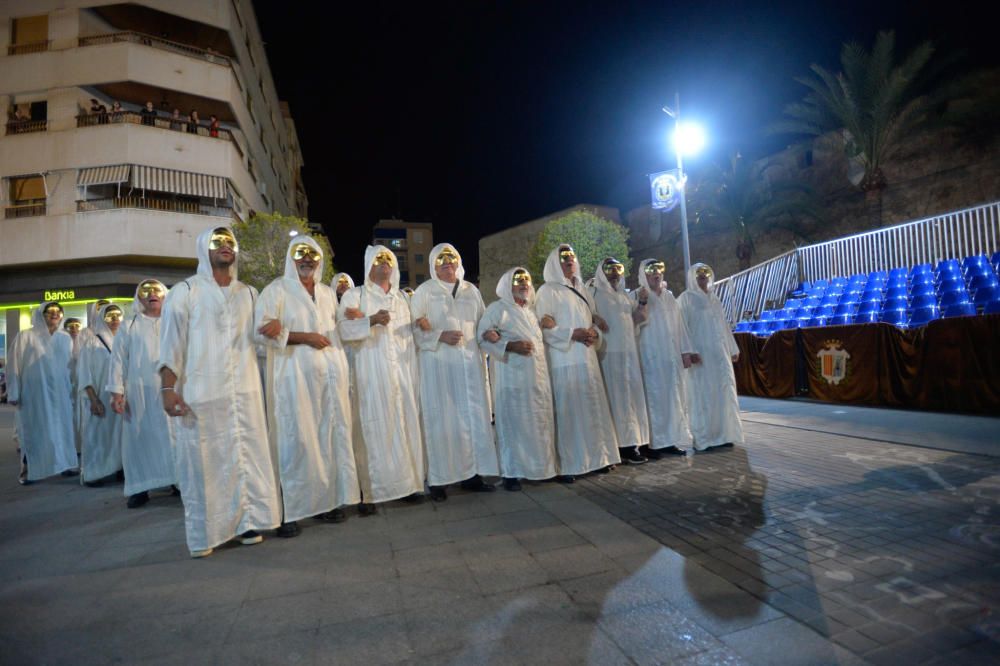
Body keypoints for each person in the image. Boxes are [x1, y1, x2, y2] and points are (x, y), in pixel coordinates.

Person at [158, 226, 281, 558]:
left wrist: (274, 330)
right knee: (205, 464)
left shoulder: (250, 294)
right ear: (203, 249)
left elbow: (261, 339)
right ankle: (204, 533)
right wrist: (168, 389)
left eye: (230, 242)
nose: (225, 246)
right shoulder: (185, 292)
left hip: (245, 392)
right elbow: (171, 346)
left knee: (246, 456)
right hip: (202, 393)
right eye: (218, 242)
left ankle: (247, 523)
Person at [254, 237, 360, 537]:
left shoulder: (327, 293)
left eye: (312, 255)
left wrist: (354, 318)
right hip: (293, 379)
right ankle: (290, 510)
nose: (307, 259)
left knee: (326, 438)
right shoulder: (276, 290)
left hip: (329, 379)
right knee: (295, 440)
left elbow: (338, 329)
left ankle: (326, 503)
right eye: (301, 253)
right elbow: (260, 331)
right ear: (291, 257)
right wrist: (303, 336)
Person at [337, 245, 424, 513]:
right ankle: (370, 493)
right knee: (371, 431)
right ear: (369, 265)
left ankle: (407, 485)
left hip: (401, 373)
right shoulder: (355, 295)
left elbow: (408, 336)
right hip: (369, 373)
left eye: (389, 259)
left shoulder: (401, 299)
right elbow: (342, 330)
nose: (385, 263)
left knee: (403, 426)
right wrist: (370, 320)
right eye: (379, 259)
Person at [410, 244, 498, 501]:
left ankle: (473, 475)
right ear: (433, 265)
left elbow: (483, 322)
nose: (447, 263)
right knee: (442, 420)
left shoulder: (471, 290)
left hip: (470, 365)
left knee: (471, 419)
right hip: (439, 367)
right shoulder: (425, 292)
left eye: (452, 258)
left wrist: (489, 333)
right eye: (441, 259)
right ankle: (439, 480)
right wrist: (439, 335)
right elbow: (414, 330)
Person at [533, 245, 620, 481]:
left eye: (571, 257)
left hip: (587, 357)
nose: (569, 261)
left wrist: (593, 335)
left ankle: (598, 458)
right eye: (563, 258)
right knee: (569, 412)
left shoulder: (582, 288)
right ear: (554, 263)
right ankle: (570, 465)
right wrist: (572, 334)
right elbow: (543, 329)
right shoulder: (547, 291)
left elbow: (591, 322)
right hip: (564, 360)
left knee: (592, 407)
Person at [478, 268, 557, 490]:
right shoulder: (497, 309)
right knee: (513, 426)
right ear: (507, 285)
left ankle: (540, 469)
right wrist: (510, 345)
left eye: (526, 280)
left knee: (538, 423)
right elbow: (482, 337)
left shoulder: (532, 312)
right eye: (518, 280)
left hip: (537, 379)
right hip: (512, 379)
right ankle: (512, 473)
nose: (523, 284)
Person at [107, 280, 177, 509]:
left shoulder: (175, 322)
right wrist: (117, 392)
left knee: (172, 437)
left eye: (157, 290)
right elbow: (117, 360)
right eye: (146, 291)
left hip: (172, 389)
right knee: (139, 440)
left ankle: (176, 481)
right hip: (139, 394)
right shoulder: (129, 325)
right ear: (139, 298)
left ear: (165, 296)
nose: (152, 294)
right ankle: (139, 487)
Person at [7, 302, 78, 484]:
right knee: (34, 431)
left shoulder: (65, 338)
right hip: (35, 395)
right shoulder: (26, 336)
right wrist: (14, 392)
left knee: (62, 430)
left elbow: (70, 366)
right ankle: (28, 470)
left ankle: (65, 465)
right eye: (49, 312)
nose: (54, 315)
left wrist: (71, 389)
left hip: (60, 393)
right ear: (41, 314)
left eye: (58, 312)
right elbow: (14, 365)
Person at [677, 263, 745, 451]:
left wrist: (732, 349)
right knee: (702, 395)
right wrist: (688, 351)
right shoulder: (686, 299)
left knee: (723, 393)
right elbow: (681, 328)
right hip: (701, 356)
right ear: (692, 277)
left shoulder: (715, 299)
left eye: (706, 273)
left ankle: (725, 434)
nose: (703, 277)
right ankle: (704, 438)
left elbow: (723, 325)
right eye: (698, 274)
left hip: (719, 355)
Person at [589, 258, 650, 465]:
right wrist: (595, 318)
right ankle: (621, 447)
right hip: (608, 356)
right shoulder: (593, 293)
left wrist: (642, 302)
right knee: (616, 401)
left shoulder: (624, 295)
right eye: (609, 269)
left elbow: (637, 319)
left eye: (618, 269)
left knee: (631, 399)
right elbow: (585, 314)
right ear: (601, 272)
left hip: (628, 354)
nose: (614, 273)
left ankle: (634, 443)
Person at [632, 259, 695, 458]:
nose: (656, 274)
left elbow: (680, 325)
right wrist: (641, 302)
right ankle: (651, 445)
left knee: (672, 398)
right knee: (653, 400)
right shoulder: (636, 295)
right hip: (649, 356)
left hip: (670, 356)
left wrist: (685, 352)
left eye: (659, 269)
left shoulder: (668, 296)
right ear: (644, 274)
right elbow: (632, 323)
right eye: (651, 271)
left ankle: (669, 441)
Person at [78, 303, 124, 486]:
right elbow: (84, 372)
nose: (114, 320)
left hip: (118, 398)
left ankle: (118, 468)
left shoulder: (123, 339)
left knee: (119, 437)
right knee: (97, 437)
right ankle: (93, 473)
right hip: (100, 398)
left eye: (117, 316)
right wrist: (93, 398)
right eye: (109, 316)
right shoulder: (92, 340)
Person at [63, 318, 83, 452]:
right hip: (66, 386)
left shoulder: (85, 343)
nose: (74, 329)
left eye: (77, 326)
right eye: (71, 327)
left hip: (81, 385)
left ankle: (79, 446)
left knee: (80, 416)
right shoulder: (61, 343)